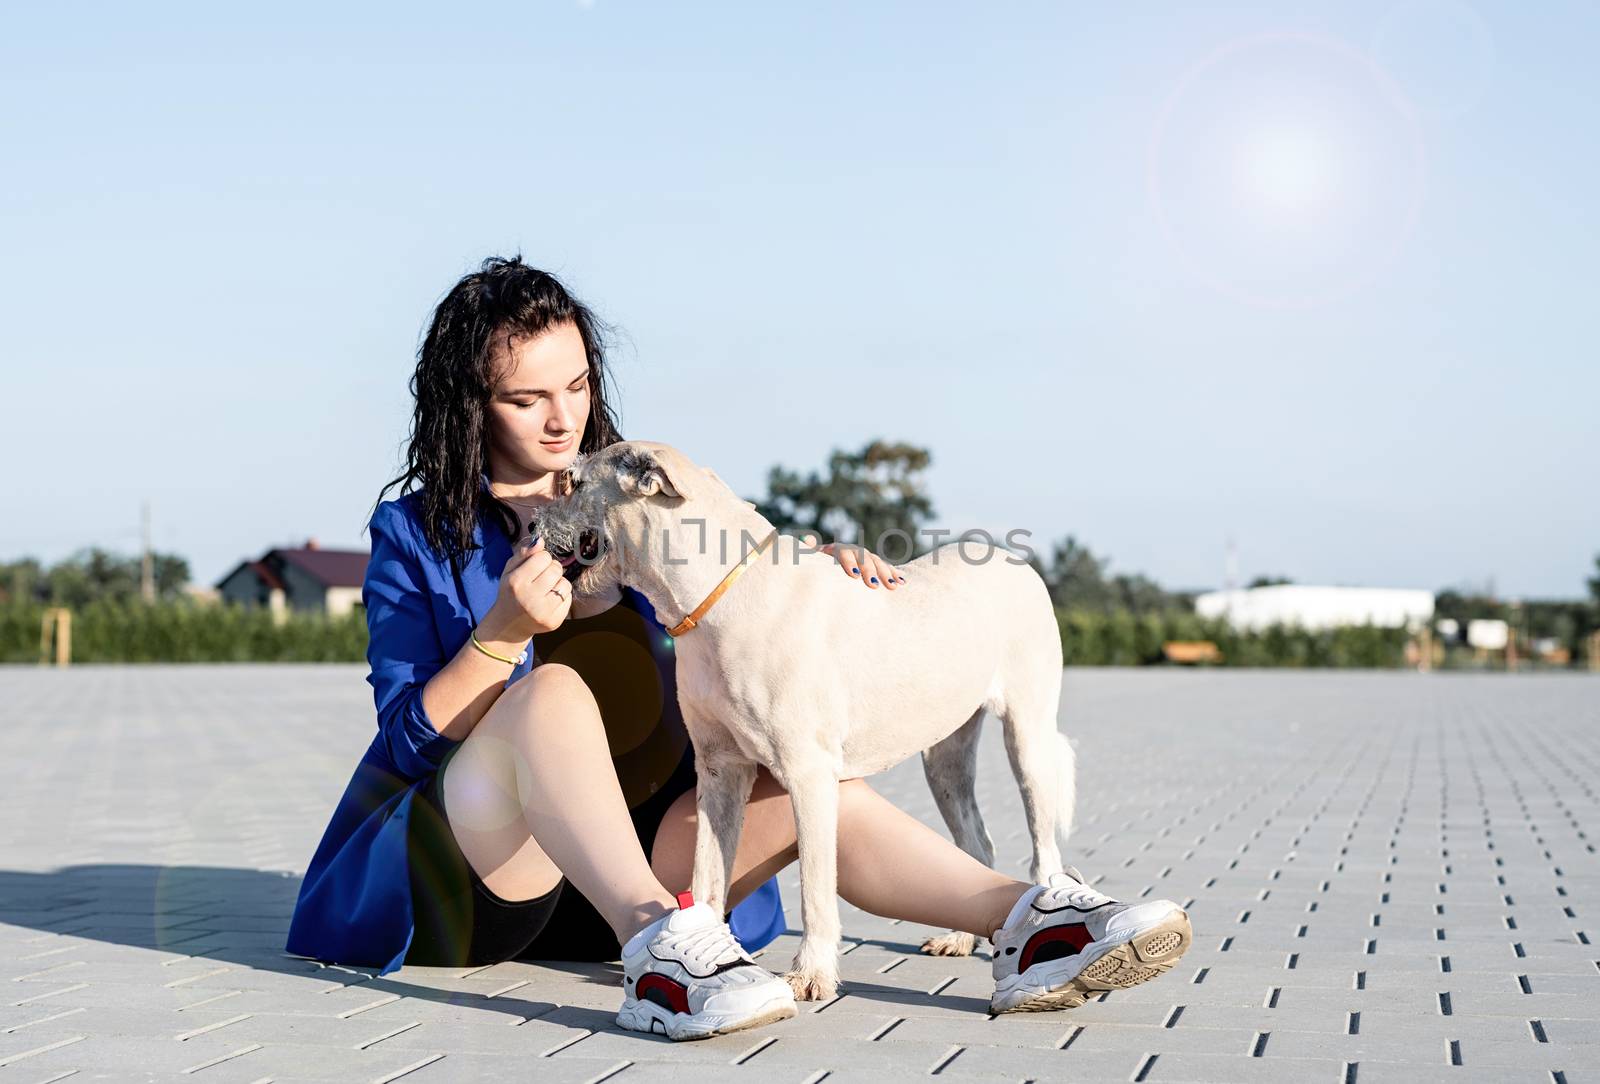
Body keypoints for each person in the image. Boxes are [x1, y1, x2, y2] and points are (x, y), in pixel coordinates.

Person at [285, 256, 1192, 1040]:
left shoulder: (648, 494)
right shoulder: (418, 534)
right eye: (527, 398)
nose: (563, 420)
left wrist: (819, 580)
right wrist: (498, 638)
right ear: (470, 406)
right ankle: (667, 956)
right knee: (549, 696)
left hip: (654, 865)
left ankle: (1033, 922)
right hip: (483, 877)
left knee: (808, 766)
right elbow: (403, 741)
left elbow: (761, 601)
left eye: (577, 387)